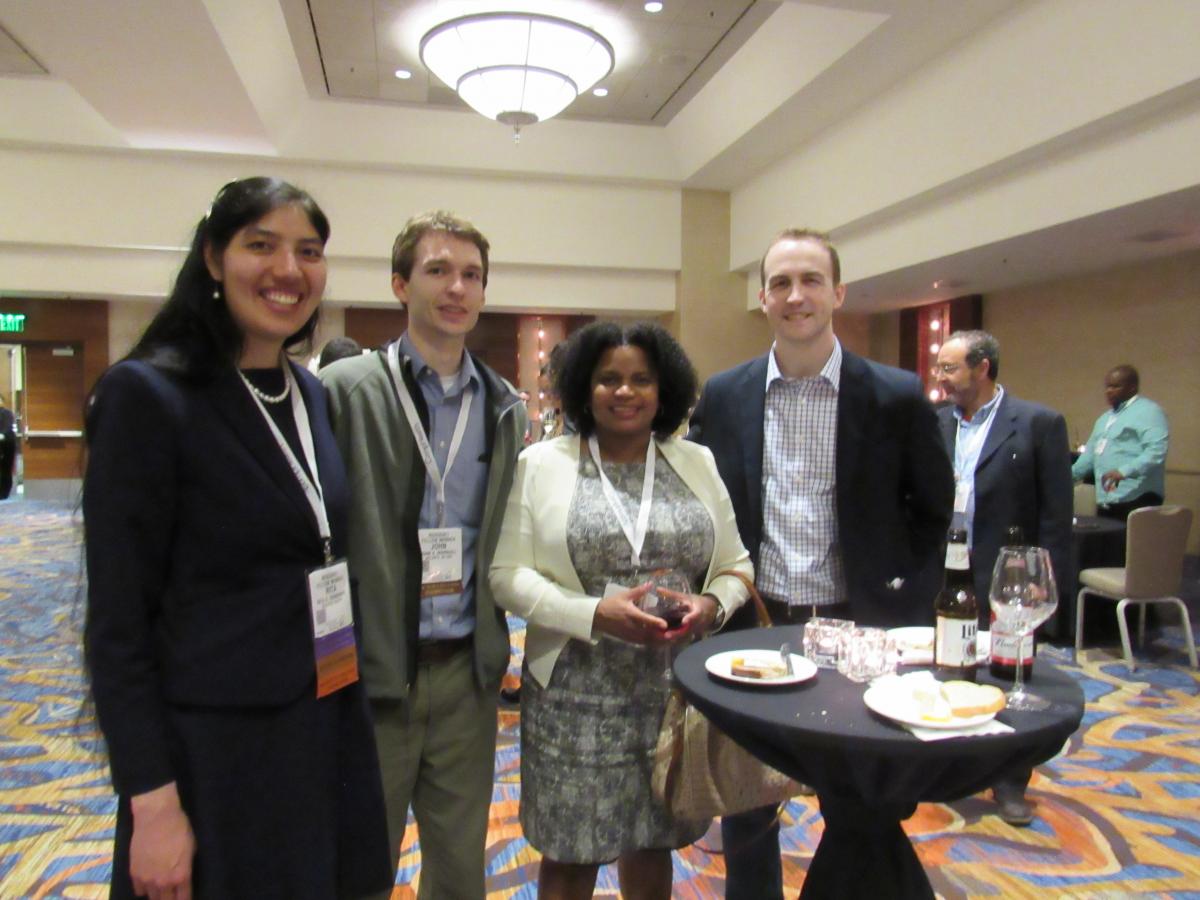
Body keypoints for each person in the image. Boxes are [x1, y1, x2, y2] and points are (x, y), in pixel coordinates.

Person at [83, 177, 391, 900]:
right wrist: (153, 804)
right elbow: (119, 627)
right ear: (214, 259)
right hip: (216, 751)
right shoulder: (148, 395)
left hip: (323, 721)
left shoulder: (308, 393)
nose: (288, 270)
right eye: (262, 246)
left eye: (308, 251)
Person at [688, 227, 954, 900]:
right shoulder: (725, 394)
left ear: (838, 293)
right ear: (762, 298)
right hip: (757, 620)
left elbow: (933, 509)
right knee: (748, 803)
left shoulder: (895, 394)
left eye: (810, 280)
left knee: (860, 800)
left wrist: (899, 598)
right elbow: (703, 504)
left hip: (855, 626)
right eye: (780, 282)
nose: (795, 295)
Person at [490, 320, 752, 900]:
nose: (625, 391)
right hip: (574, 695)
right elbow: (506, 576)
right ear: (585, 389)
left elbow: (737, 565)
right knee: (570, 852)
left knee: (653, 842)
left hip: (671, 689)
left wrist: (710, 606)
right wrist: (593, 614)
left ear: (664, 390)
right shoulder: (542, 464)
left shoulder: (696, 462)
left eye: (641, 380)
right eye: (608, 379)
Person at [320, 210, 527, 900]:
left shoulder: (503, 406)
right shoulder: (347, 391)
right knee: (358, 869)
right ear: (400, 285)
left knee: (461, 873)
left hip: (465, 676)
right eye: (438, 270)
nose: (456, 287)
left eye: (471, 274)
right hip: (373, 676)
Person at [935, 330, 1072, 826]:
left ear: (983, 368)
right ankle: (947, 767)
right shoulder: (934, 423)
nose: (940, 378)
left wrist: (1047, 582)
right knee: (948, 668)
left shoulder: (1037, 424)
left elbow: (1055, 514)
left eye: (949, 368)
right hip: (946, 570)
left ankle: (1011, 781)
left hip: (1008, 574)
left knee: (1009, 677)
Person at [1072, 364, 1170, 520]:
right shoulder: (1104, 419)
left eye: (1115, 386)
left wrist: (1124, 472)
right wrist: (1066, 477)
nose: (1109, 391)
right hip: (1106, 499)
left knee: (1132, 538)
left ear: (1132, 387)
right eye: (1107, 386)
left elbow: (1156, 451)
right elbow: (1089, 457)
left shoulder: (1149, 411)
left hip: (1137, 498)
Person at [0, 391, 15, 499]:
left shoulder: (7, 413)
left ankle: (4, 493)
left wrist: (2, 434)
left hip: (7, 443)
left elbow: (7, 427)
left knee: (6, 468)